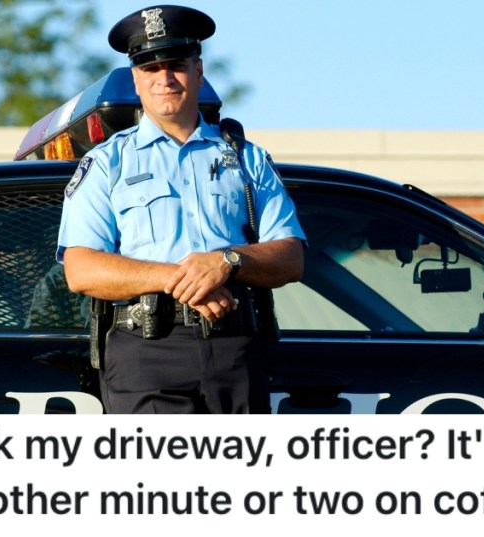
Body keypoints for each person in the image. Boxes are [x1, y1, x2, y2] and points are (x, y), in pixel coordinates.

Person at [56, 5, 305, 414]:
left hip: (236, 349)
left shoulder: (248, 159)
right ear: (136, 79)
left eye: (176, 65)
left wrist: (226, 261)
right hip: (146, 354)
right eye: (150, 68)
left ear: (199, 69)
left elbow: (291, 257)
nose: (165, 79)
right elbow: (81, 268)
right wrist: (187, 278)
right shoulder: (107, 163)